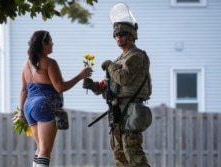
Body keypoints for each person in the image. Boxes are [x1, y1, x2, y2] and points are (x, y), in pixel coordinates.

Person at [83, 4, 152, 167]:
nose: (118, 38)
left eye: (121, 34)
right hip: (118, 111)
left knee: (133, 152)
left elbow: (124, 79)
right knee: (119, 154)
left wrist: (109, 66)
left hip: (131, 109)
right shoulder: (119, 59)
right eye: (115, 35)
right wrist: (92, 85)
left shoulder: (136, 56)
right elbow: (109, 86)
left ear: (131, 36)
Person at [18, 30, 92, 167]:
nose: (53, 43)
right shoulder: (50, 63)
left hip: (29, 107)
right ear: (43, 44)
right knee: (46, 149)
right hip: (44, 106)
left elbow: (23, 90)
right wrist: (80, 76)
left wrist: (21, 111)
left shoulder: (26, 65)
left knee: (40, 148)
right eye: (50, 41)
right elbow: (60, 87)